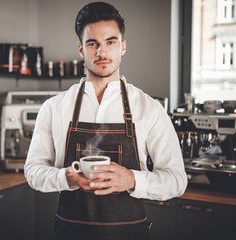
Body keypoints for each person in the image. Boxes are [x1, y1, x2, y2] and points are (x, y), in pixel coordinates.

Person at [24, 2, 187, 240]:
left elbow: (177, 181)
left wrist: (132, 179)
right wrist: (66, 178)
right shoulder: (54, 108)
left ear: (122, 46)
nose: (102, 52)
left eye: (110, 42)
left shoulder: (149, 108)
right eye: (93, 44)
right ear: (81, 49)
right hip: (70, 232)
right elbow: (33, 171)